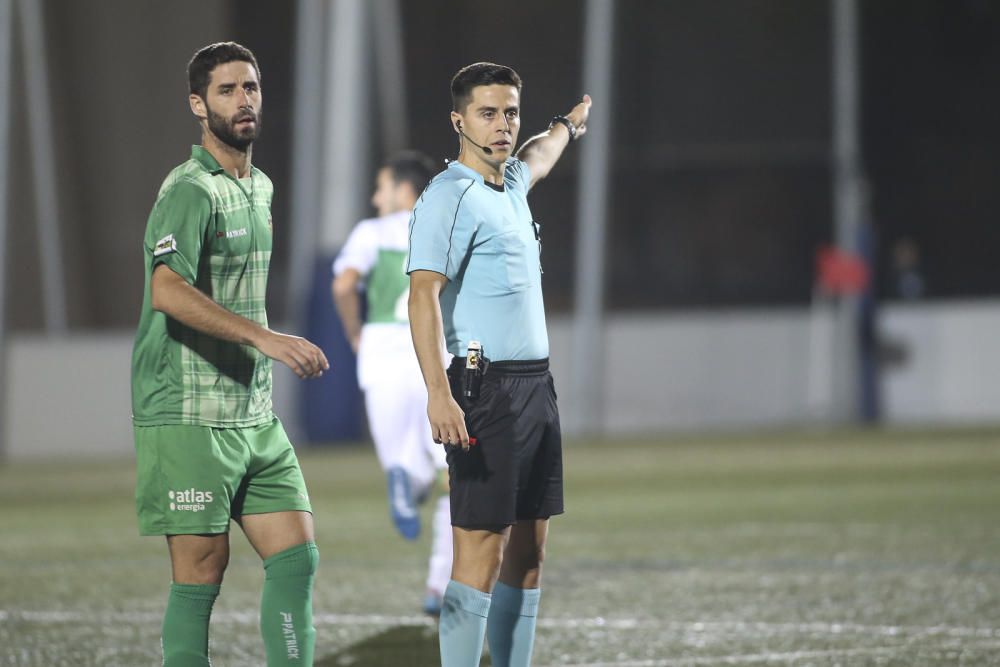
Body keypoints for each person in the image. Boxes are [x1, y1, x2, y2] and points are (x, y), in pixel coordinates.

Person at [130, 42, 329, 666]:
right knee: (201, 575)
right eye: (226, 90)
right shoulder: (190, 190)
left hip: (253, 413)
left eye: (251, 87)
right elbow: (166, 289)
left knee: (296, 559)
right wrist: (265, 337)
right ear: (198, 104)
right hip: (188, 413)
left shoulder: (259, 185)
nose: (243, 100)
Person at [407, 62, 591, 667]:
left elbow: (541, 152)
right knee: (480, 553)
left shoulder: (510, 181)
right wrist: (439, 391)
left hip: (536, 386)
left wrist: (566, 124)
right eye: (488, 113)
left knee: (530, 555)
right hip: (484, 389)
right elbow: (423, 294)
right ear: (459, 120)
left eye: (510, 111)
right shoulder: (447, 196)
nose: (502, 124)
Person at [331, 151, 454, 615]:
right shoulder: (443, 225)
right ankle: (439, 586)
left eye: (380, 188)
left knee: (399, 460)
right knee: (453, 473)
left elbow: (343, 287)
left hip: (381, 349)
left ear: (404, 190)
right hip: (434, 349)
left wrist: (354, 333)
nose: (374, 197)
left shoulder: (369, 232)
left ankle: (408, 478)